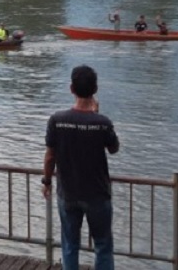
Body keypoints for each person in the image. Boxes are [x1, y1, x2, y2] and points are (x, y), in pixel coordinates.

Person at [42, 66, 120, 270]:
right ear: (95, 89)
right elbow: (114, 148)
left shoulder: (57, 120)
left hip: (67, 192)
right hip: (97, 194)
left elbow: (50, 156)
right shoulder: (102, 123)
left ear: (71, 88)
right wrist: (97, 115)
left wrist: (47, 181)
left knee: (69, 244)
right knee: (103, 245)